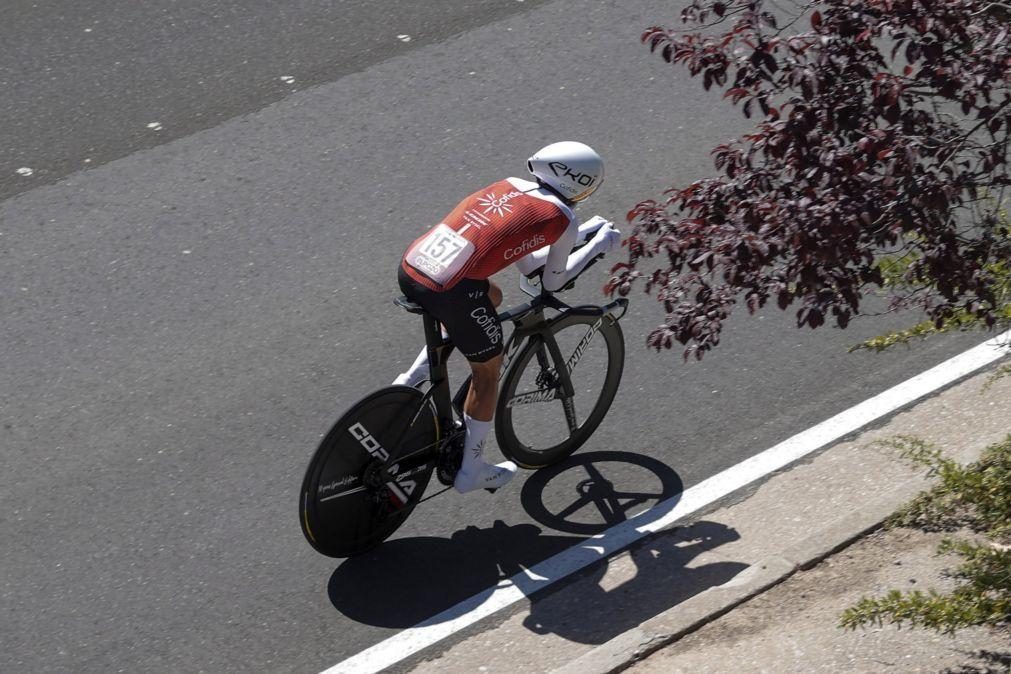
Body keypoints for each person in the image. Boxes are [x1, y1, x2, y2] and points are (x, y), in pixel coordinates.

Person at [394, 141, 621, 494]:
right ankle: (471, 471)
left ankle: (411, 379)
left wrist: (582, 232)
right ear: (583, 186)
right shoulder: (562, 217)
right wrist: (596, 246)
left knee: (493, 296)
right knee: (487, 374)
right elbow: (551, 280)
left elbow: (527, 258)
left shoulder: (507, 185)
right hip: (452, 291)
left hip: (413, 268)